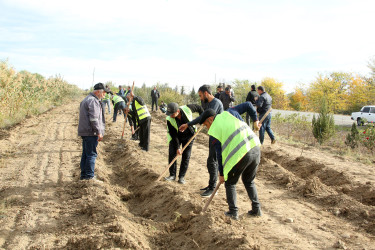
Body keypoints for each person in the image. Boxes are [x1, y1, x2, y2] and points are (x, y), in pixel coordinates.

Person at [200, 109, 262, 220]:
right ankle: (256, 209)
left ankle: (233, 212)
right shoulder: (230, 113)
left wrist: (222, 173)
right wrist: (255, 120)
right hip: (255, 146)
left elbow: (219, 155)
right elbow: (247, 106)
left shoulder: (214, 130)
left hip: (242, 154)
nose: (207, 128)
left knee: (229, 183)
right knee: (249, 180)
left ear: (210, 119)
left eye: (206, 124)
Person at [179, 85, 223, 197]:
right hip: (213, 134)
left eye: (200, 95)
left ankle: (213, 188)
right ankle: (211, 185)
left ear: (206, 93)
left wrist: (188, 124)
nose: (200, 98)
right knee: (211, 161)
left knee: (212, 161)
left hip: (218, 135)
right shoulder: (210, 103)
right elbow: (203, 116)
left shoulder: (216, 103)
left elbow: (202, 117)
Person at [164, 103, 204, 184]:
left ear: (178, 111)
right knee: (172, 154)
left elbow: (199, 108)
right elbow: (173, 134)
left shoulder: (187, 108)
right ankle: (172, 175)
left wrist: (203, 119)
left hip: (189, 135)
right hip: (176, 136)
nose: (170, 116)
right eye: (169, 114)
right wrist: (178, 147)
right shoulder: (169, 119)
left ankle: (181, 177)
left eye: (172, 114)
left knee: (186, 156)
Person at [78, 83, 106, 180]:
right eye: (104, 93)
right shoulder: (93, 101)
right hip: (90, 132)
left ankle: (84, 175)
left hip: (85, 131)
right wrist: (98, 132)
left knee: (86, 153)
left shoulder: (86, 99)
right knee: (91, 154)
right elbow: (94, 119)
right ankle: (89, 176)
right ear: (98, 92)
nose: (104, 95)